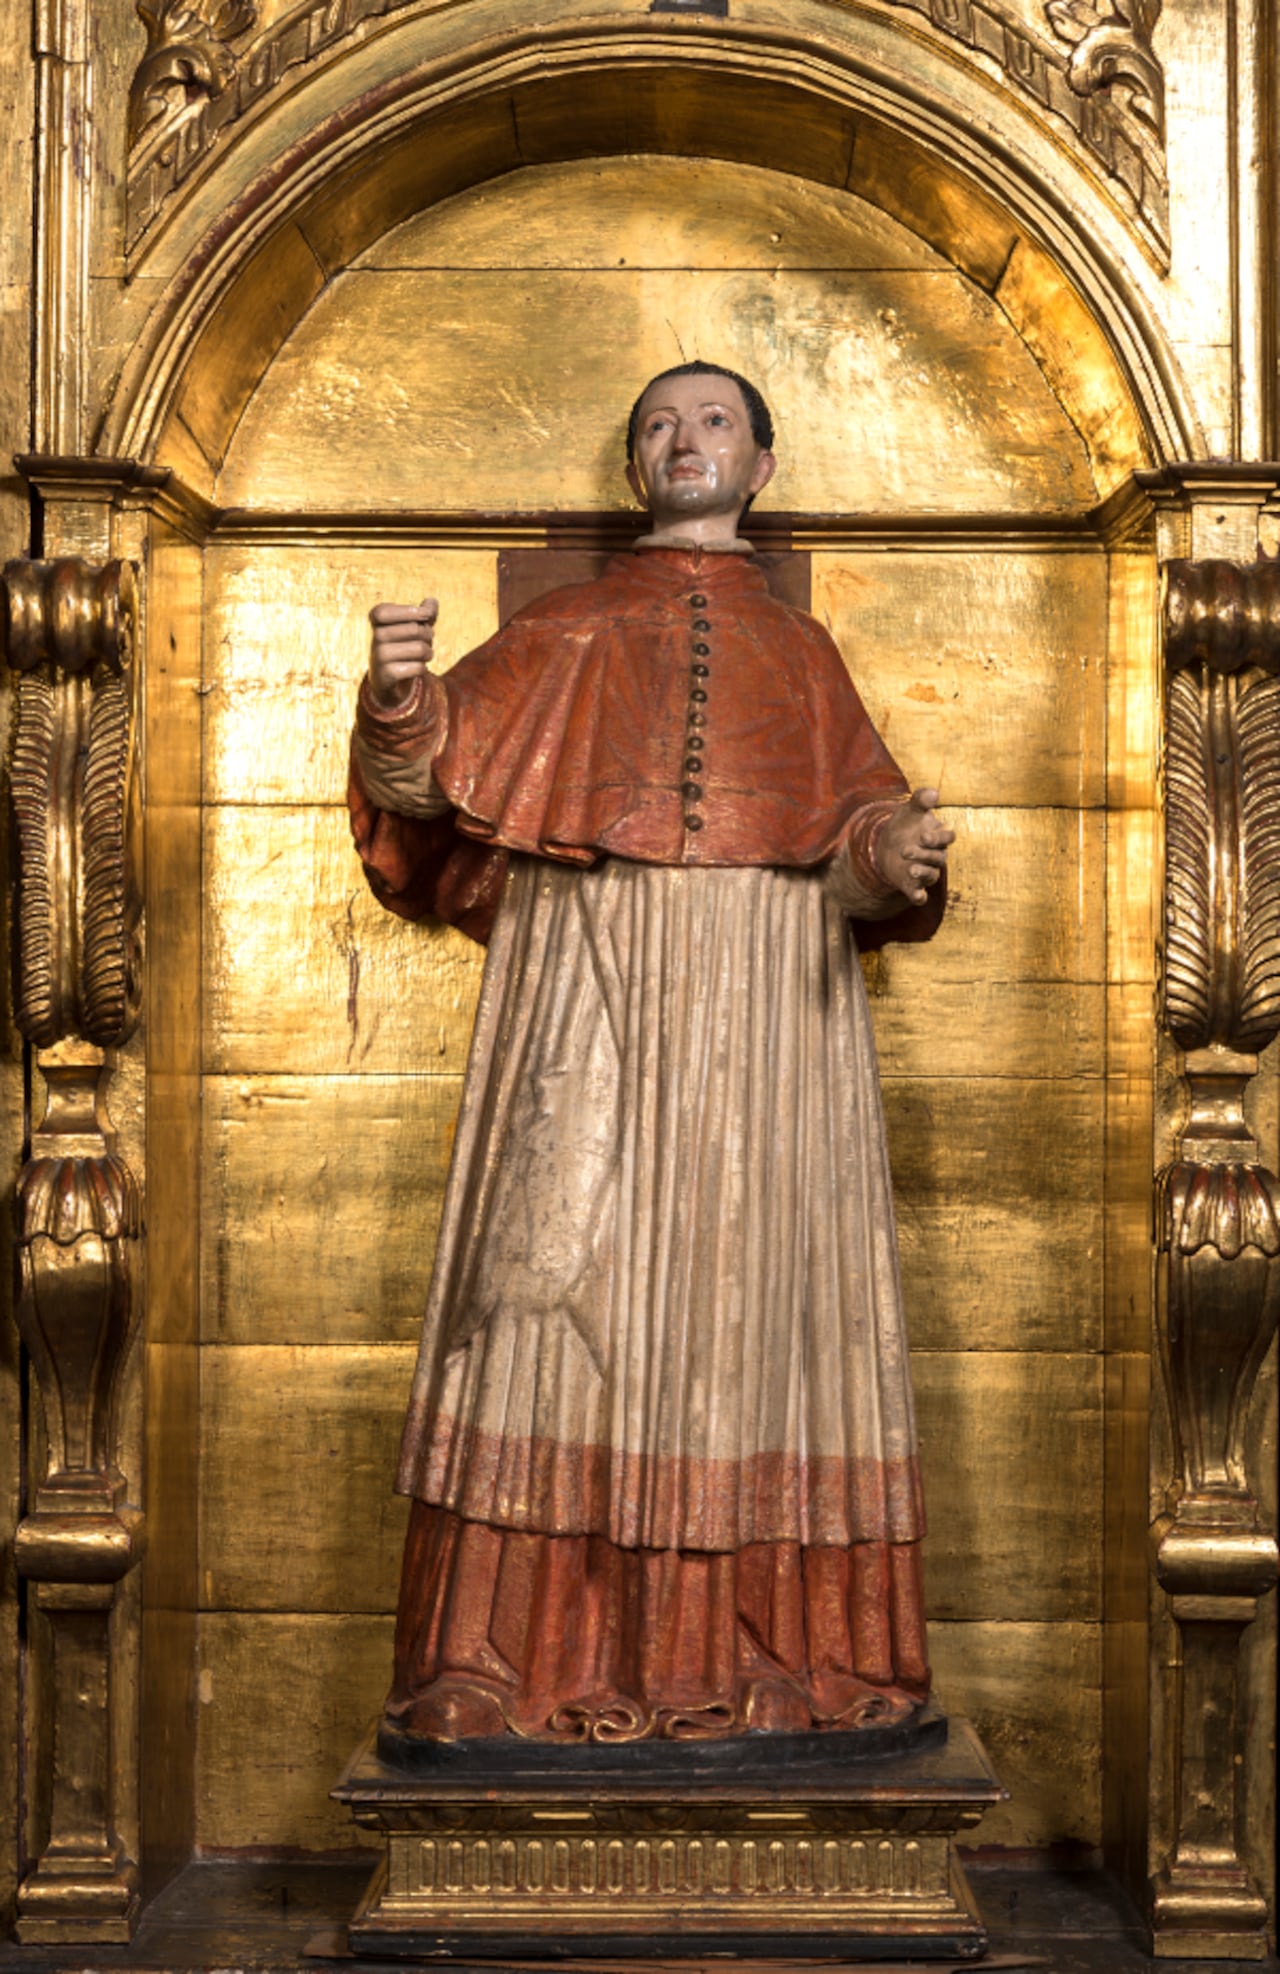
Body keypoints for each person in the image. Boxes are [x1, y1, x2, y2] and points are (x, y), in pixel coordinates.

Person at [348, 362, 953, 1744]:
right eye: (658, 426)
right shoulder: (565, 630)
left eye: (713, 421)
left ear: (762, 465)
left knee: (754, 1318)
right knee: (546, 1299)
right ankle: (495, 1661)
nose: (684, 442)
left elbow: (855, 831)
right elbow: (427, 776)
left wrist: (888, 851)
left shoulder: (802, 658)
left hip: (764, 1012)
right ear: (635, 470)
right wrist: (397, 703)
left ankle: (762, 1659)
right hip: (588, 975)